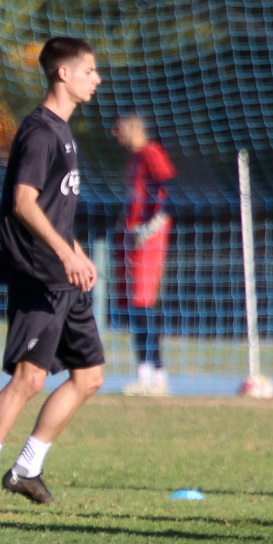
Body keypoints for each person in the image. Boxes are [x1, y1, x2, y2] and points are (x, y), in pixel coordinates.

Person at [0, 36, 105, 507]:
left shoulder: (63, 130)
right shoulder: (41, 131)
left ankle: (26, 468)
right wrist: (64, 255)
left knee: (89, 375)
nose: (96, 80)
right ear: (63, 74)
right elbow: (23, 203)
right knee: (29, 377)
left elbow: (54, 206)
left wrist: (77, 252)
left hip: (64, 274)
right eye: (90, 71)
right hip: (39, 274)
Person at [112, 113, 176, 396]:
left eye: (119, 129)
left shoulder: (152, 152)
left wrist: (151, 224)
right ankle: (147, 372)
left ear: (133, 129)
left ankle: (154, 374)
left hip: (147, 239)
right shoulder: (133, 160)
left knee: (142, 303)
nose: (116, 135)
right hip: (130, 237)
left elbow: (170, 188)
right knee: (133, 304)